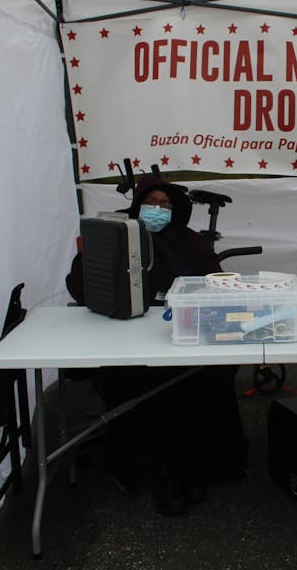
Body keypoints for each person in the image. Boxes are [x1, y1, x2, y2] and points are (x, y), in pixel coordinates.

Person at [65, 176, 247, 516]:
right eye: (151, 203)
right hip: (130, 338)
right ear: (138, 205)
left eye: (165, 205)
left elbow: (216, 282)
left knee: (203, 379)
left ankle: (196, 466)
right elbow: (81, 283)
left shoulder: (190, 242)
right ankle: (164, 472)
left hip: (186, 335)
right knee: (154, 386)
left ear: (177, 210)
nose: (158, 210)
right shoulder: (116, 237)